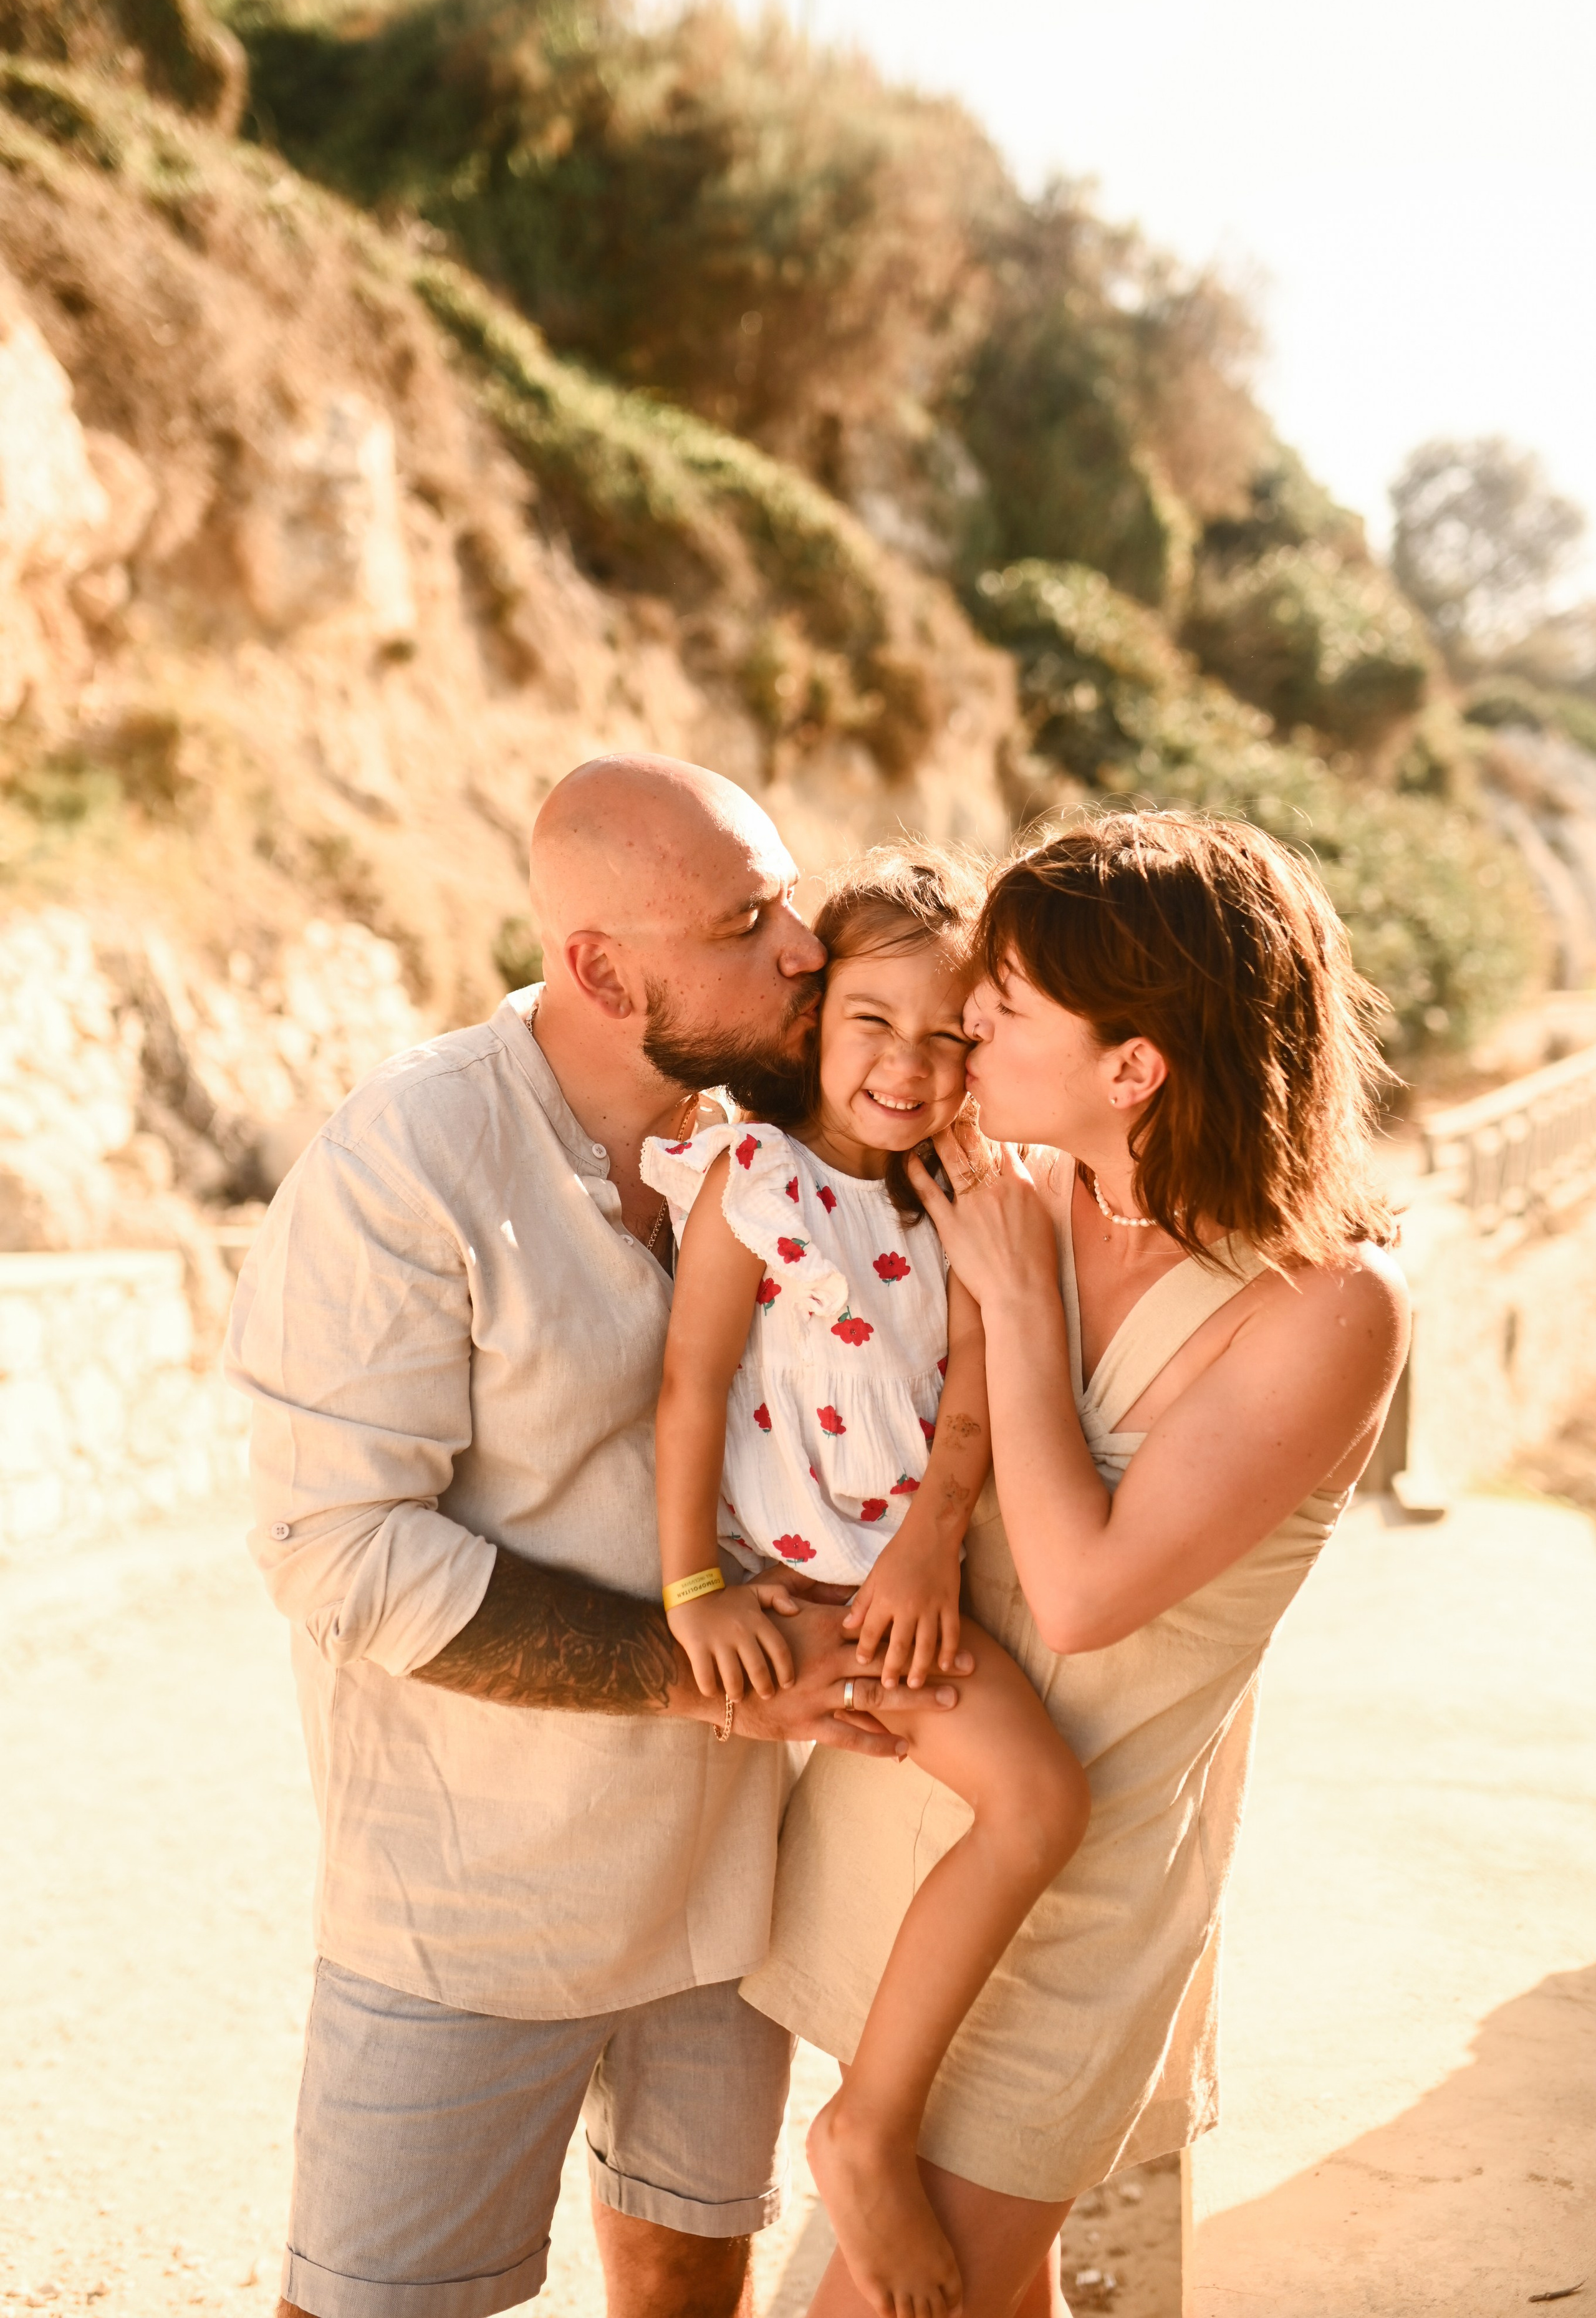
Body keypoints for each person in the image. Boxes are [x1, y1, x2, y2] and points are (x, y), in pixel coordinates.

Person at [226, 756, 963, 2318]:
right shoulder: (405, 1163)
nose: (801, 950)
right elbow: (337, 1550)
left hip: (724, 1893)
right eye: (746, 920)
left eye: (787, 900)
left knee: (694, 2285)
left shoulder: (794, 1128)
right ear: (602, 969)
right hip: (469, 1905)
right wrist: (694, 1672)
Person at [740, 809, 1410, 2318]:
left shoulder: (1327, 1307)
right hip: (909, 1813)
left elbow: (1088, 1593)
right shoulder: (1022, 1193)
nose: (963, 1035)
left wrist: (1024, 1327)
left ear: (1135, 1066)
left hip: (1080, 1897)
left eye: (1003, 1012)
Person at [644, 849, 1090, 2318]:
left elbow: (971, 1394)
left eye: (952, 1033)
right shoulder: (751, 1184)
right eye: (872, 1023)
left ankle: (874, 2116)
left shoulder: (956, 1193)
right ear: (814, 1018)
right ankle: (848, 2133)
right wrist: (693, 1589)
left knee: (1032, 1801)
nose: (910, 1063)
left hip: (899, 1589)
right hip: (791, 1587)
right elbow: (689, 1390)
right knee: (1021, 1804)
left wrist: (924, 1551)